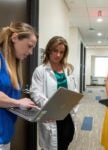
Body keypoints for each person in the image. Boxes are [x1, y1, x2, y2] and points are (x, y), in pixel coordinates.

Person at [30, 36, 77, 150]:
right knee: (50, 146)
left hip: (66, 114)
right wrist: (51, 107)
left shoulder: (68, 69)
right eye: (55, 51)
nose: (58, 55)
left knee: (65, 141)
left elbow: (74, 90)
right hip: (50, 115)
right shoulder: (40, 70)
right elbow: (35, 93)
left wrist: (74, 101)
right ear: (49, 50)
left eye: (61, 52)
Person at [0, 22, 38, 150]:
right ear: (15, 38)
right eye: (29, 46)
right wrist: (17, 102)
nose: (31, 52)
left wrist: (36, 113)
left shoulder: (12, 65)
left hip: (5, 135)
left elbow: (9, 102)